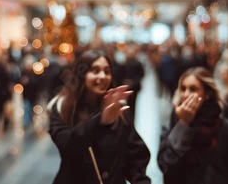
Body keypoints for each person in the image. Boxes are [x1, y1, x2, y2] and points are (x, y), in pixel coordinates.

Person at [47, 50, 151, 184]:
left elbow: (136, 155)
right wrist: (101, 121)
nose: (102, 76)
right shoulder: (62, 107)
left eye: (107, 71)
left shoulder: (117, 109)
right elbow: (67, 144)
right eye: (95, 71)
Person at [158, 67, 228, 184]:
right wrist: (183, 124)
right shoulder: (173, 127)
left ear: (207, 94)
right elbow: (165, 165)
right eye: (183, 89)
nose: (186, 94)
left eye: (193, 89)